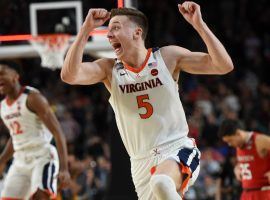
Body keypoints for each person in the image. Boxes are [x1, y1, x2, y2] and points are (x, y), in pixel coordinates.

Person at [61, 2, 233, 199]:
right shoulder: (109, 70)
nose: (109, 35)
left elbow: (223, 65)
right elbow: (69, 75)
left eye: (116, 27)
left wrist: (199, 25)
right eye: (108, 31)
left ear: (137, 32)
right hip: (140, 162)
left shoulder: (167, 57)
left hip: (176, 147)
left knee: (161, 182)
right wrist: (85, 30)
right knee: (159, 185)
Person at [0, 61, 70, 200]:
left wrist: (64, 168)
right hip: (20, 161)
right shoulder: (3, 107)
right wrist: (2, 159)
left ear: (15, 75)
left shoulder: (32, 98)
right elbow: (16, 137)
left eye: (1, 73)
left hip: (42, 156)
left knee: (39, 197)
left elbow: (57, 132)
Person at [219, 119, 270, 200]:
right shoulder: (239, 145)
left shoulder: (259, 140)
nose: (229, 144)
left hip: (262, 192)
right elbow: (251, 161)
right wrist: (237, 168)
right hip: (246, 193)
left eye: (230, 140)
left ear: (238, 133)